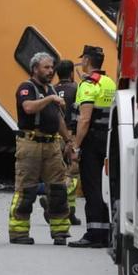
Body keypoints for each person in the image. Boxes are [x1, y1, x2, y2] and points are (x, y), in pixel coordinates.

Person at [8, 52, 73, 245]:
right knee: (26, 189)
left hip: (52, 145)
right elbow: (28, 108)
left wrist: (68, 141)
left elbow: (59, 119)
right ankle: (19, 233)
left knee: (59, 189)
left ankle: (60, 232)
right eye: (46, 67)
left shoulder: (51, 89)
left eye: (52, 67)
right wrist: (50, 99)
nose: (51, 71)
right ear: (35, 69)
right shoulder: (26, 88)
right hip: (30, 144)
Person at [69, 45, 117, 249]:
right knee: (105, 186)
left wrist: (76, 146)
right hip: (108, 139)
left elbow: (85, 118)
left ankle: (93, 233)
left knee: (92, 186)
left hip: (91, 141)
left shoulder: (88, 84)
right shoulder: (109, 82)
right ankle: (105, 232)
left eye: (83, 59)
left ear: (87, 61)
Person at [52, 59, 81, 225]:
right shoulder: (76, 89)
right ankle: (57, 205)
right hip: (70, 135)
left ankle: (68, 211)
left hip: (55, 136)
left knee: (57, 173)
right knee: (73, 173)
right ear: (71, 73)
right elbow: (79, 115)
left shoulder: (52, 90)